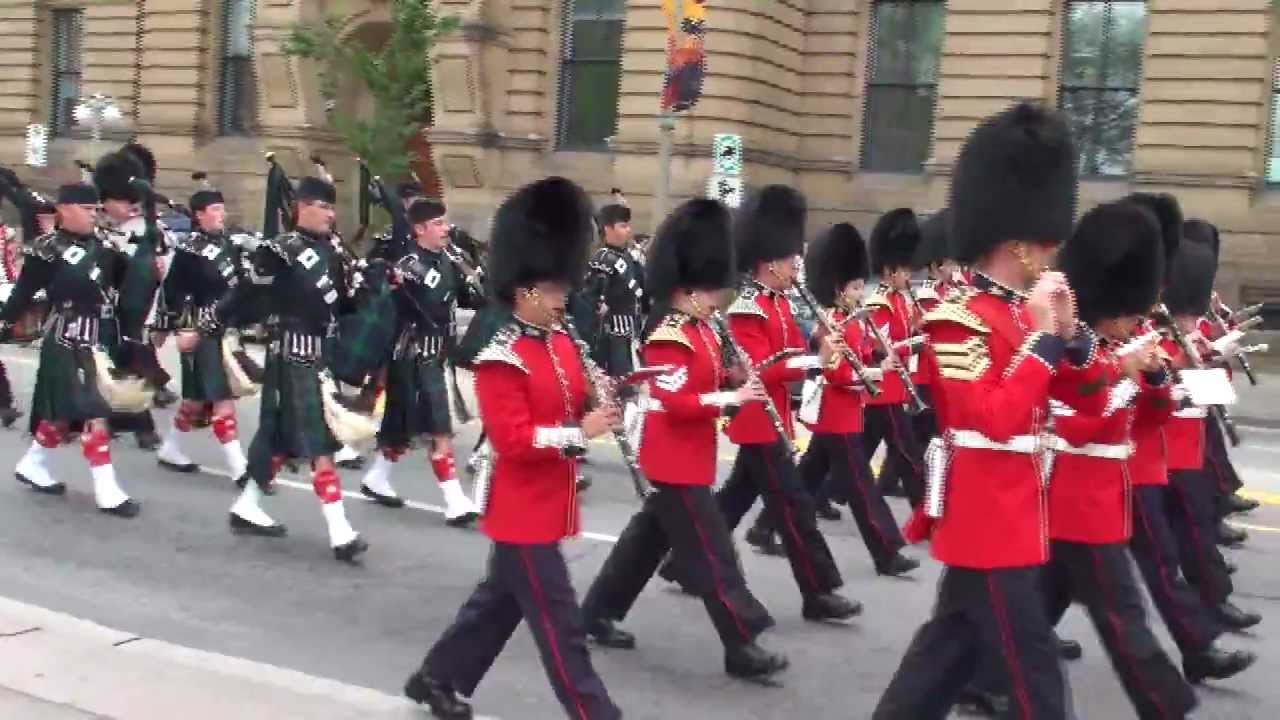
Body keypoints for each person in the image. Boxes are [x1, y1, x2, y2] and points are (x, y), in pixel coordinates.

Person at [875, 101, 1081, 719]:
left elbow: (1071, 400)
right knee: (1035, 680)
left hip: (1015, 510)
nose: (1051, 254)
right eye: (1044, 244)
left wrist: (1074, 341)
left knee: (944, 655)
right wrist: (1046, 341)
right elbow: (991, 418)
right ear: (1018, 245)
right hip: (986, 511)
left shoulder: (1024, 314)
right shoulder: (956, 319)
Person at [404, 177, 621, 720]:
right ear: (525, 292)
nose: (561, 299)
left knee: (497, 605)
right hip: (521, 505)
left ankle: (437, 678)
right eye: (553, 292)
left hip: (549, 498)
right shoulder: (502, 358)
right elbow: (515, 441)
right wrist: (582, 431)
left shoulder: (563, 341)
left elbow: (574, 396)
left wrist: (608, 395)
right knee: (560, 624)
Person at [579, 198, 786, 681]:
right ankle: (741, 641)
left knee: (645, 541)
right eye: (711, 288)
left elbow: (706, 384)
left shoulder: (703, 329)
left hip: (688, 456)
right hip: (672, 458)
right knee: (714, 552)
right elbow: (677, 401)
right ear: (688, 287)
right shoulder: (670, 335)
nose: (718, 297)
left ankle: (596, 612)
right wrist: (730, 400)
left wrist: (734, 380)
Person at [1042, 199, 1197, 717]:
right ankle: (1168, 703)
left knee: (1035, 605)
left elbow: (1150, 422)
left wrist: (1154, 381)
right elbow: (1078, 425)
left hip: (1103, 499)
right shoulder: (1073, 352)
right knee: (1124, 615)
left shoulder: (1114, 348)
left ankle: (981, 674)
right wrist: (1124, 377)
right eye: (1129, 313)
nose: (1136, 321)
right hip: (1078, 501)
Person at [209, 175, 366, 558]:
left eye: (333, 207)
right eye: (324, 206)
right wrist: (210, 325)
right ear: (302, 207)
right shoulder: (281, 250)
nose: (331, 214)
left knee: (279, 437)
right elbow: (245, 292)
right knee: (319, 441)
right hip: (291, 353)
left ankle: (247, 505)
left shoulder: (332, 251)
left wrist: (366, 285)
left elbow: (343, 307)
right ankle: (340, 531)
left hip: (318, 355)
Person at [0, 182, 140, 517]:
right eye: (87, 209)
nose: (94, 215)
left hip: (94, 338)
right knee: (94, 411)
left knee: (63, 415)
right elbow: (23, 293)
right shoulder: (47, 250)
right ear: (65, 209)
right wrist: (5, 323)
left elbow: (125, 289)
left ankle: (33, 463)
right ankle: (108, 491)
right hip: (64, 338)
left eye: (95, 210)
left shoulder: (106, 245)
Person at [795, 222, 918, 577]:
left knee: (805, 478)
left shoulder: (853, 320)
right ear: (838, 288)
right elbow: (836, 373)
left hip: (848, 411)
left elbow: (862, 355)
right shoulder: (833, 323)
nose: (861, 291)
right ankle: (887, 551)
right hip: (838, 411)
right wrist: (877, 373)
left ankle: (768, 524)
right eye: (855, 286)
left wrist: (880, 356)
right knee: (863, 489)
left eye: (861, 284)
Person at [359, 197, 483, 525]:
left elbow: (470, 297)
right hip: (412, 356)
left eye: (446, 222)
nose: (446, 229)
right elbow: (392, 306)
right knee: (439, 429)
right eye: (439, 224)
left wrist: (479, 281)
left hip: (437, 354)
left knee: (401, 427)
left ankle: (376, 478)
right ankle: (455, 500)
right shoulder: (408, 265)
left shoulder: (450, 259)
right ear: (420, 229)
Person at [152, 174, 260, 492]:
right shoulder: (189, 250)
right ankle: (239, 467)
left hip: (225, 331)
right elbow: (170, 290)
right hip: (199, 328)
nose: (221, 214)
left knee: (198, 400)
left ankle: (171, 449)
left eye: (222, 209)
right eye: (214, 209)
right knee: (221, 399)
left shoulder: (230, 244)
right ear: (199, 215)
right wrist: (163, 327)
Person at [91, 149, 165, 450]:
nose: (130, 206)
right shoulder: (91, 228)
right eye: (124, 200)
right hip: (95, 313)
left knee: (129, 368)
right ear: (106, 200)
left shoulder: (145, 230)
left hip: (128, 315)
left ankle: (133, 423)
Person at [863, 209, 927, 505]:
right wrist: (913, 342)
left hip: (894, 387)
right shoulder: (880, 303)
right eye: (903, 270)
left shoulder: (900, 300)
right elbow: (880, 347)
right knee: (909, 453)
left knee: (853, 455)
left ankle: (826, 492)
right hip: (884, 386)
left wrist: (918, 328)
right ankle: (924, 511)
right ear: (889, 271)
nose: (908, 275)